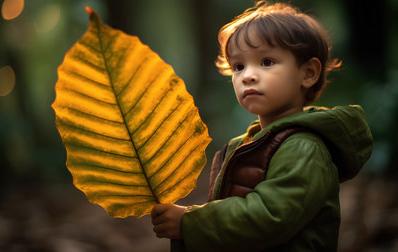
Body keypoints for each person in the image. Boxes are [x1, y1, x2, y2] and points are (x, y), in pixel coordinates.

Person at [151, 1, 373, 251]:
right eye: (238, 66)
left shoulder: (304, 147)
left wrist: (189, 222)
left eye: (266, 62)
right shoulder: (244, 144)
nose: (247, 75)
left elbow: (270, 217)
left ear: (308, 73)